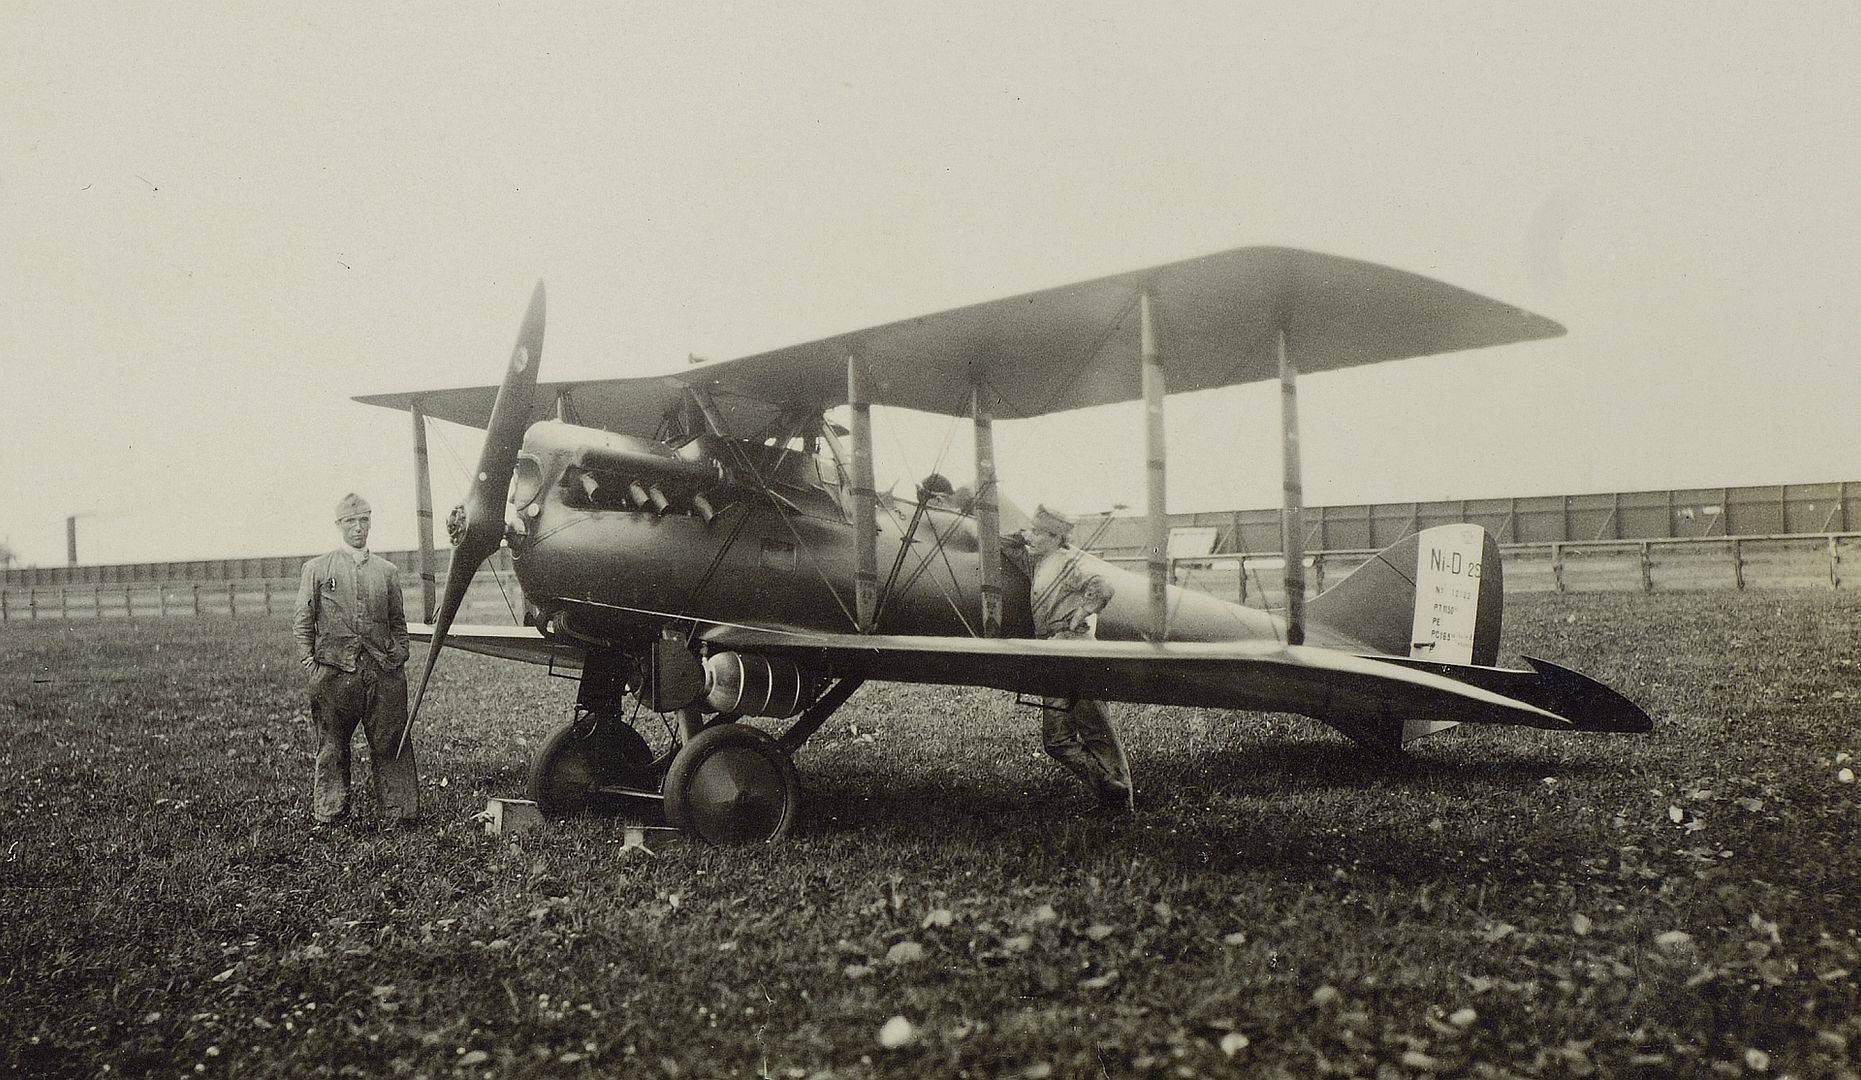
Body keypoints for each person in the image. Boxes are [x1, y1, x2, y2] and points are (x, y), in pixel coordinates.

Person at [292, 493, 417, 827]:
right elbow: (304, 621)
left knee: (392, 740)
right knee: (331, 744)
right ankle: (330, 813)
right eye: (350, 521)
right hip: (334, 673)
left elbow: (398, 623)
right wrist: (310, 661)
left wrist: (398, 655)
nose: (358, 528)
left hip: (383, 670)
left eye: (364, 520)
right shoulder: (317, 569)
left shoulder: (386, 571)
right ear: (339, 526)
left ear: (370, 522)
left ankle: (399, 814)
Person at [1023, 505, 1135, 813]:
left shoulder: (1070, 561)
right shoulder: (1045, 559)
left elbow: (1104, 586)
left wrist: (1081, 614)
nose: (1030, 535)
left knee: (1096, 729)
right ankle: (1110, 788)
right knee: (1056, 740)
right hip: (1054, 651)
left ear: (1055, 536)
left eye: (1036, 532)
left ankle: (1121, 804)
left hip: (1077, 650)